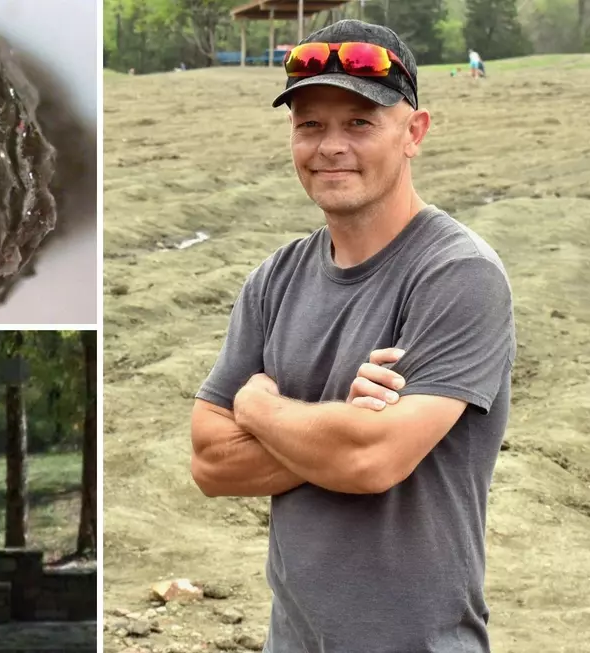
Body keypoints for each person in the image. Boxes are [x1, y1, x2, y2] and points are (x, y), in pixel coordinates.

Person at [190, 19, 516, 653]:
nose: (330, 146)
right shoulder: (274, 279)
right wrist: (340, 428)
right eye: (310, 124)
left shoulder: (458, 275)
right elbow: (208, 462)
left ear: (413, 132)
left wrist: (259, 409)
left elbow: (372, 461)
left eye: (360, 123)